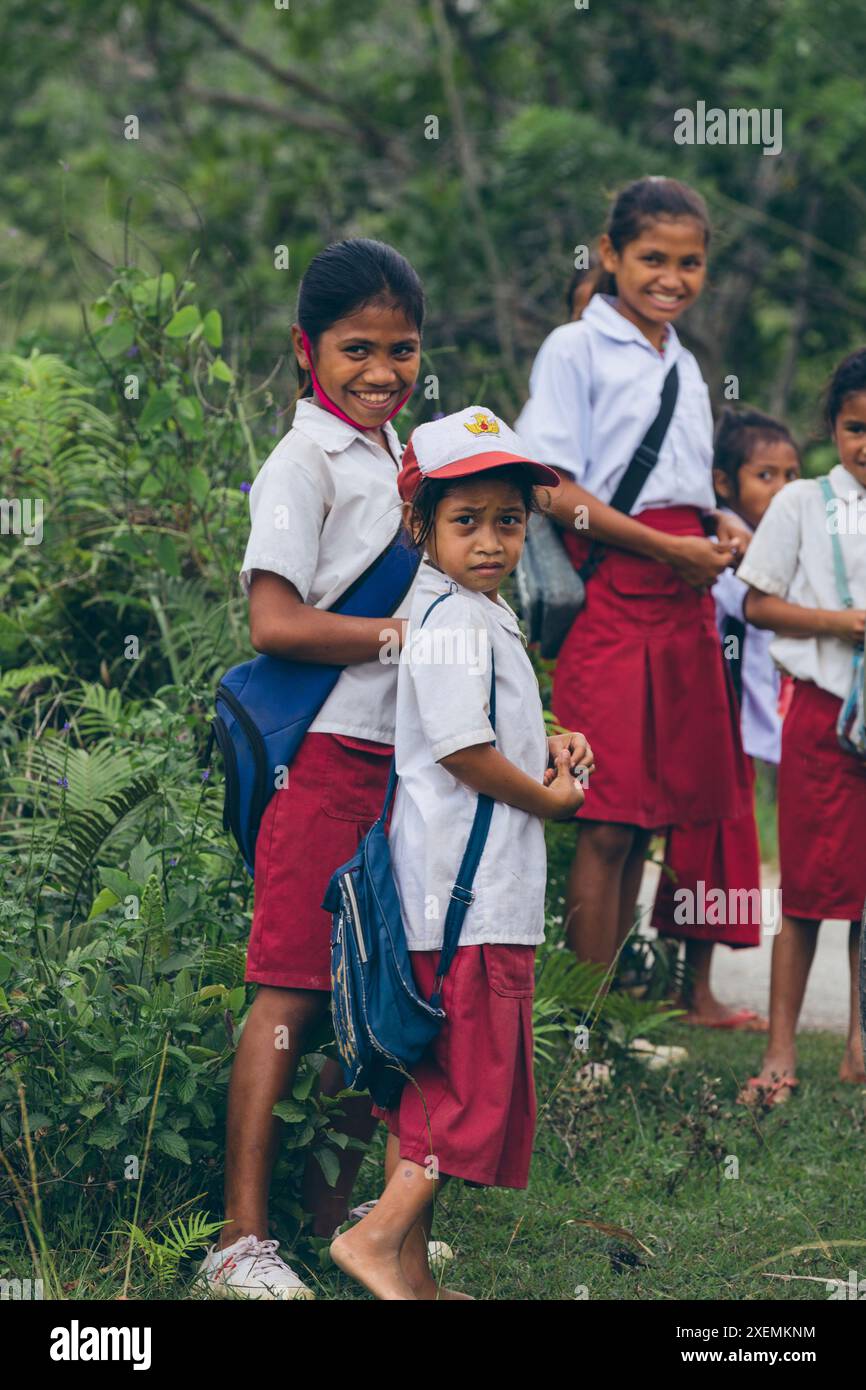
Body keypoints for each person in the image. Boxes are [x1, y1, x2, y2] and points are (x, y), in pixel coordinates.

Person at [198, 238, 424, 1299]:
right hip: (319, 761)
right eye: (356, 350)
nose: (381, 372)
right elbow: (274, 619)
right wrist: (398, 640)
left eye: (402, 350)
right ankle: (240, 1239)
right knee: (288, 988)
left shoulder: (398, 457)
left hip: (397, 759)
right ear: (306, 349)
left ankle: (339, 1222)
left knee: (364, 992)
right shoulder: (302, 463)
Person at [329, 407, 593, 1300]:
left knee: (432, 1088)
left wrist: (554, 735)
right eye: (466, 521)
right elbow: (462, 753)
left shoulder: (475, 610)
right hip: (464, 900)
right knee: (467, 1094)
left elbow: (493, 728)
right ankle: (374, 1243)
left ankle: (413, 1272)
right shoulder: (446, 618)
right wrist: (551, 801)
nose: (491, 541)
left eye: (509, 521)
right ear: (421, 525)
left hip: (470, 896)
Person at [516, 175, 751, 973]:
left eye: (690, 263)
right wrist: (668, 548)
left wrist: (713, 526)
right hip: (615, 595)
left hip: (682, 601)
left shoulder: (683, 362)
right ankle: (584, 1028)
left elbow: (673, 486)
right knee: (607, 813)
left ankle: (613, 1007)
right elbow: (547, 487)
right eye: (653, 257)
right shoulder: (576, 347)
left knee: (654, 814)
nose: (671, 279)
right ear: (610, 254)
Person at [735, 350, 866, 1105]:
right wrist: (839, 623)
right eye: (855, 427)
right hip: (822, 714)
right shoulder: (803, 504)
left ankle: (858, 1044)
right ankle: (780, 1050)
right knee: (812, 887)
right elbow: (757, 603)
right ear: (834, 428)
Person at [651, 407, 802, 1029]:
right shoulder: (723, 546)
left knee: (720, 853)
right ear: (723, 482)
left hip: (740, 722)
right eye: (765, 474)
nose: (783, 488)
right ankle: (688, 992)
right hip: (713, 718)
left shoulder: (776, 541)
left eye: (792, 474)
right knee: (700, 851)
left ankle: (687, 990)